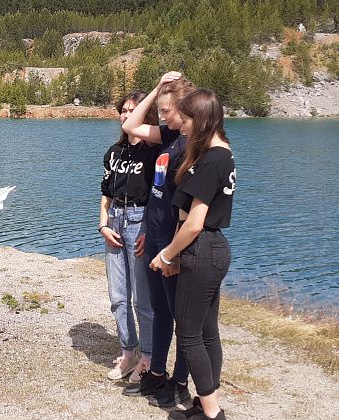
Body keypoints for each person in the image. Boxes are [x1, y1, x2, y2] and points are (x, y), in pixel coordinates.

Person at [150, 89, 236, 420]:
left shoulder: (212, 159)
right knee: (207, 331)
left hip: (201, 251)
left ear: (199, 121)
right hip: (212, 250)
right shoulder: (223, 153)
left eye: (184, 120)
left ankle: (211, 413)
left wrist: (168, 255)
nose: (180, 127)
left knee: (188, 333)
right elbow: (187, 216)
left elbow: (194, 223)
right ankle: (205, 402)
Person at [121, 72, 197, 407]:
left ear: (186, 110)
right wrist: (157, 89)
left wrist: (173, 251)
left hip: (172, 242)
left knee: (179, 314)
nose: (162, 116)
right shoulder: (168, 135)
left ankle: (180, 382)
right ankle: (157, 374)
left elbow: (191, 208)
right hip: (152, 235)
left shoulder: (191, 145)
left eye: (168, 110)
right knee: (161, 310)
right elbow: (131, 126)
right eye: (162, 110)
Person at [99, 91, 160, 382]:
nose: (125, 115)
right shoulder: (114, 152)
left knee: (142, 300)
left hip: (140, 222)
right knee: (118, 297)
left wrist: (149, 231)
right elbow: (105, 193)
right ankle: (129, 352)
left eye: (132, 110)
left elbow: (160, 198)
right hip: (115, 222)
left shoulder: (155, 154)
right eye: (122, 110)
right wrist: (103, 225)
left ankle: (148, 357)